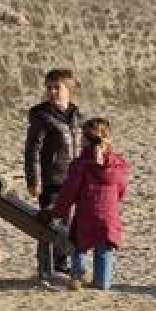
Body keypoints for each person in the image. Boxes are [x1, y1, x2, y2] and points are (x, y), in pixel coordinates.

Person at [51, 117, 130, 291]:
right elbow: (122, 188)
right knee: (104, 250)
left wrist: (57, 211)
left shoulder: (80, 165)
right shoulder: (118, 165)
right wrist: (115, 201)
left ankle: (77, 276)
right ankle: (102, 282)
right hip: (108, 217)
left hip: (86, 215)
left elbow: (69, 192)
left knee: (79, 245)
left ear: (85, 141)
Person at [24, 68, 87, 281]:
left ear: (69, 90)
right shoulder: (41, 116)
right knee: (50, 224)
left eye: (56, 88)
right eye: (48, 88)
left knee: (69, 223)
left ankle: (61, 264)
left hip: (74, 179)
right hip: (52, 180)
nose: (51, 92)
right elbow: (32, 150)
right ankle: (45, 266)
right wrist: (34, 180)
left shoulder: (76, 115)